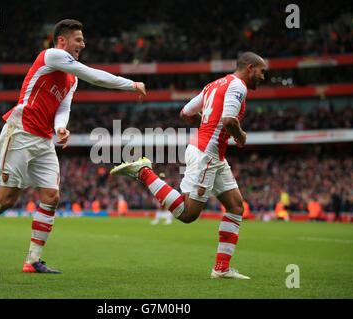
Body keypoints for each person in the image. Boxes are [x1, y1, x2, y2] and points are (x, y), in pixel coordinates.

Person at [0, 19, 146, 273]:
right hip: (21, 132)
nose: (83, 43)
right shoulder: (52, 55)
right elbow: (94, 76)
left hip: (45, 139)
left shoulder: (71, 78)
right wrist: (130, 84)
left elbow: (64, 107)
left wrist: (60, 127)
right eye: (78, 39)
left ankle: (33, 260)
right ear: (62, 41)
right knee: (6, 198)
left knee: (51, 196)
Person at [111, 52, 266, 280]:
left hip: (212, 153)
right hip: (206, 154)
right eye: (263, 72)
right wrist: (240, 136)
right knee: (187, 214)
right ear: (250, 68)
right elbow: (229, 121)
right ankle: (144, 172)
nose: (264, 77)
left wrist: (207, 126)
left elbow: (185, 113)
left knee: (235, 206)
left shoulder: (214, 84)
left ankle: (221, 268)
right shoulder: (238, 86)